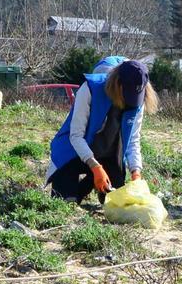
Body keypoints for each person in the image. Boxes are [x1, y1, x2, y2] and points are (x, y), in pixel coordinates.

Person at [47, 57, 158, 204]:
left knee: (113, 202)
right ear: (118, 85)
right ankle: (79, 186)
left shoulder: (139, 100)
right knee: (66, 201)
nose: (129, 101)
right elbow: (76, 136)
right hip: (74, 150)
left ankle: (93, 182)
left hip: (107, 153)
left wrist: (136, 172)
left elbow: (133, 140)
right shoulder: (89, 89)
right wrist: (95, 167)